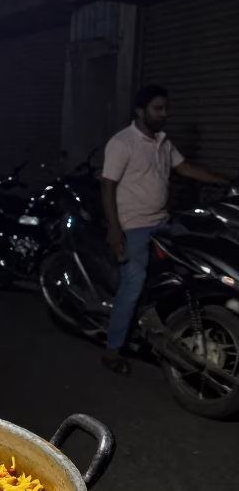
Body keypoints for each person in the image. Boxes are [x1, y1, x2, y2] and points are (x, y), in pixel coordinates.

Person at [100, 84, 227, 373]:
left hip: (162, 221)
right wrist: (115, 229)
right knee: (132, 284)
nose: (164, 114)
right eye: (158, 108)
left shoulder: (163, 142)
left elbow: (185, 168)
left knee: (197, 258)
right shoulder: (122, 143)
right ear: (140, 111)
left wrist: (222, 180)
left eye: (165, 108)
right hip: (134, 225)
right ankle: (112, 349)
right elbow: (107, 185)